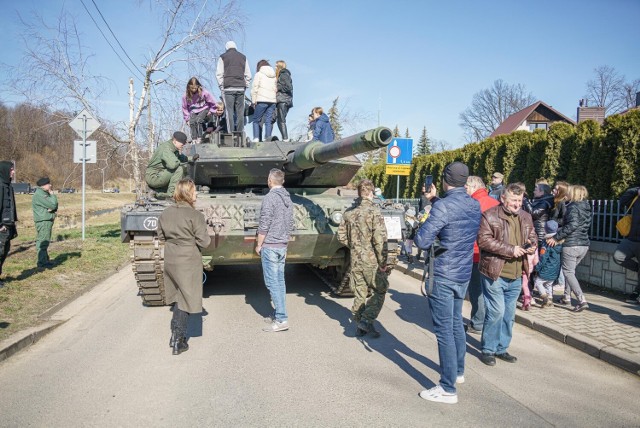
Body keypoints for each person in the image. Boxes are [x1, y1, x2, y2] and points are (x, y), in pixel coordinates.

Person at [414, 162, 481, 405]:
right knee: (455, 326)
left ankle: (447, 388)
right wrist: (435, 200)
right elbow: (454, 215)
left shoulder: (442, 207)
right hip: (462, 273)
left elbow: (422, 241)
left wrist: (428, 209)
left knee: (443, 332)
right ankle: (458, 372)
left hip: (442, 274)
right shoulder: (473, 204)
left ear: (444, 179)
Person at [477, 183, 536, 367]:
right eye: (513, 200)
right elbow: (484, 240)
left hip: (517, 274)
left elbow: (533, 236)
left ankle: (502, 348)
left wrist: (532, 245)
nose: (517, 204)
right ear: (503, 199)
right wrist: (511, 250)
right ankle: (488, 349)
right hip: (495, 272)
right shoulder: (490, 215)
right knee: (496, 311)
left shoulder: (526, 217)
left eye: (520, 200)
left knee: (509, 314)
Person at [157, 178, 211, 355]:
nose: (196, 194)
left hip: (171, 257)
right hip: (188, 259)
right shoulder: (195, 216)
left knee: (179, 297)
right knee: (186, 298)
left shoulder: (165, 213)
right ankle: (178, 340)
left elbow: (161, 237)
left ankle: (175, 336)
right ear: (189, 193)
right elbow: (205, 241)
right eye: (194, 190)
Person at [338, 179, 390, 338]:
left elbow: (341, 237)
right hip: (371, 260)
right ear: (371, 193)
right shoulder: (374, 212)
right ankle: (366, 321)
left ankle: (361, 326)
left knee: (360, 292)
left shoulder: (349, 213)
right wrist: (383, 262)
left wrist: (355, 246)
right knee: (380, 290)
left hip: (355, 259)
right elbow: (379, 240)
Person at [256, 168, 295, 332]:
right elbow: (290, 222)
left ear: (269, 180)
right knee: (279, 281)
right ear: (283, 181)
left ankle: (281, 320)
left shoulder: (270, 198)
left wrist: (259, 244)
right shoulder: (288, 197)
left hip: (271, 245)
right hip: (282, 245)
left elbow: (264, 223)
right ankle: (279, 313)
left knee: (272, 283)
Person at [464, 175, 499, 335]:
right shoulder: (496, 203)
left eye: (466, 188)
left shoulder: (472, 204)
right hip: (495, 254)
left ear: (473, 187)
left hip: (476, 253)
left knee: (476, 290)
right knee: (491, 291)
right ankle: (491, 323)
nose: (465, 191)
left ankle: (478, 323)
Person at [548, 185, 592, 312]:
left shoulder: (573, 207)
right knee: (571, 272)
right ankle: (566, 297)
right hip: (584, 244)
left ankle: (581, 299)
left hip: (572, 244)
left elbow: (572, 225)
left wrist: (556, 237)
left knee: (568, 272)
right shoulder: (587, 207)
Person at [145, 131, 198, 199]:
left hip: (160, 174)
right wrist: (181, 163)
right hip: (154, 177)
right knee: (179, 169)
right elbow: (173, 165)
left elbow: (183, 158)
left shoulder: (174, 148)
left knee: (182, 168)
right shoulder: (166, 148)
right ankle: (171, 195)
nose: (183, 144)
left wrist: (192, 158)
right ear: (175, 141)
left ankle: (159, 192)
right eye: (182, 142)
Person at [216, 41, 251, 134]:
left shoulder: (223, 57)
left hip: (228, 88)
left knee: (229, 112)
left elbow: (219, 74)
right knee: (240, 112)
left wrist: (221, 86)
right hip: (240, 87)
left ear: (226, 48)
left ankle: (231, 133)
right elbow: (248, 74)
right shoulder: (243, 57)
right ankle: (240, 133)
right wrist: (245, 85)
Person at [614, 185, 640, 303]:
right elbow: (623, 200)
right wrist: (636, 190)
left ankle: (636, 293)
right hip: (631, 238)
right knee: (618, 257)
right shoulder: (637, 197)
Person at [533, 220, 563, 307]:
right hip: (555, 270)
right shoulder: (560, 242)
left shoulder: (546, 243)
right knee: (549, 284)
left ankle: (545, 298)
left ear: (545, 230)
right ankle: (550, 299)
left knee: (538, 282)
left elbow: (543, 258)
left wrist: (537, 268)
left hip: (546, 269)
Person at [181, 77, 217, 144]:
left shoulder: (204, 92)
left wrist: (212, 111)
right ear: (189, 87)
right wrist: (187, 119)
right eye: (192, 88)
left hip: (204, 108)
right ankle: (194, 138)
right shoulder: (185, 96)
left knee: (198, 121)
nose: (194, 90)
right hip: (193, 110)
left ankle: (200, 137)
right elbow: (184, 108)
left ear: (198, 86)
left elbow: (212, 101)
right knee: (192, 122)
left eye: (195, 88)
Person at [32, 177, 58, 269]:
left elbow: (54, 206)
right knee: (43, 241)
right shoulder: (40, 195)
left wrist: (52, 207)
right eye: (48, 184)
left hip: (45, 220)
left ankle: (45, 260)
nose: (50, 185)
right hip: (43, 221)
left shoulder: (43, 194)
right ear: (43, 186)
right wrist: (52, 194)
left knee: (43, 240)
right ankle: (42, 263)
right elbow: (53, 205)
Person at [0, 161, 18, 289]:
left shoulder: (8, 185)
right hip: (2, 226)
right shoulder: (0, 186)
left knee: (4, 251)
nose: (13, 171)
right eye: (11, 169)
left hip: (8, 225)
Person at [250, 60, 277, 142]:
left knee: (256, 120)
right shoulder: (274, 75)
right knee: (268, 120)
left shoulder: (258, 74)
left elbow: (255, 88)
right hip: (272, 101)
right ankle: (268, 137)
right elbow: (275, 88)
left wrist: (254, 101)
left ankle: (256, 138)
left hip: (261, 99)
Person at [275, 60, 293, 142]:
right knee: (279, 120)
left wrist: (278, 88)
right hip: (284, 99)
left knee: (281, 120)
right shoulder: (284, 75)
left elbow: (289, 87)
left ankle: (285, 138)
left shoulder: (283, 75)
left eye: (276, 66)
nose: (275, 68)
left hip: (283, 99)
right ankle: (284, 137)